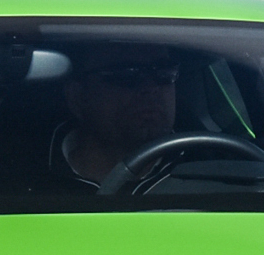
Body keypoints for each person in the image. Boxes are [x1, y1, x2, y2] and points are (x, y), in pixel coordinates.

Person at [55, 43, 182, 185]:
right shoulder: (32, 176)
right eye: (126, 74)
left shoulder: (204, 165)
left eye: (164, 71)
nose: (151, 87)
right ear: (77, 96)